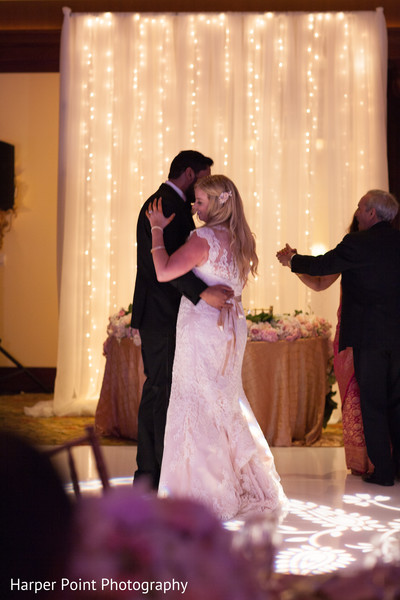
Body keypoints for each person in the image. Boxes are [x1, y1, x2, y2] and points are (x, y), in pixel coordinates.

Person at [147, 174, 287, 521]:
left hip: (204, 327)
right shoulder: (242, 237)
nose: (194, 209)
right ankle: (242, 482)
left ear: (219, 202)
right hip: (233, 326)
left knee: (198, 400)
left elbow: (164, 271)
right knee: (224, 398)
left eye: (200, 202)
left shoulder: (203, 237)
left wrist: (156, 230)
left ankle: (206, 493)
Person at [277, 189, 400, 486]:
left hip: (369, 338)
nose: (356, 213)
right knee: (397, 403)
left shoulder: (357, 243)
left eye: (360, 208)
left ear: (372, 212)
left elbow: (321, 266)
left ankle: (382, 472)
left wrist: (292, 258)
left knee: (373, 404)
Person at [131, 151, 233, 490]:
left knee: (170, 390)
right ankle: (150, 472)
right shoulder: (161, 205)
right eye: (202, 178)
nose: (201, 190)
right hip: (161, 316)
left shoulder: (175, 205)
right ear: (189, 173)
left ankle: (167, 469)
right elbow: (158, 268)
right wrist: (202, 293)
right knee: (160, 389)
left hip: (173, 315)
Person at [277, 216, 373, 476]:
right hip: (349, 336)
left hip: (377, 335)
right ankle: (364, 462)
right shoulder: (349, 251)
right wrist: (294, 264)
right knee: (354, 400)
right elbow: (319, 282)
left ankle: (383, 461)